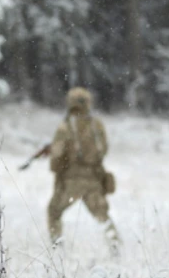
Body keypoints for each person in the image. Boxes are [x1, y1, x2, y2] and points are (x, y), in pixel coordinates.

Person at [47, 87, 120, 249]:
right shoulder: (96, 125)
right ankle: (116, 246)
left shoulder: (66, 126)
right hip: (94, 179)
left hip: (71, 181)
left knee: (54, 212)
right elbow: (104, 149)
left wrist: (58, 167)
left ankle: (57, 249)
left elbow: (57, 155)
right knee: (102, 215)